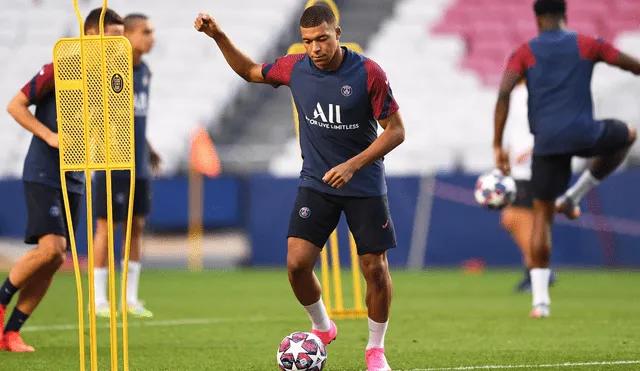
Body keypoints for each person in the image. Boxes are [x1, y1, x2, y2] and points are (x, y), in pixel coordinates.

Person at [195, 5, 405, 370]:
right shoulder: (295, 67)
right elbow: (249, 71)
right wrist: (218, 36)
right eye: (308, 41)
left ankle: (375, 350)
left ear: (337, 33)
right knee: (296, 264)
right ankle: (323, 328)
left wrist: (353, 164)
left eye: (322, 39)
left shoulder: (368, 72)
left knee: (374, 267)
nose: (315, 48)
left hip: (364, 183)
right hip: (317, 182)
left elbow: (396, 130)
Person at [493, 0, 638, 318]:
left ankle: (540, 303)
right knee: (627, 134)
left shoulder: (525, 51)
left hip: (547, 144)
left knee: (542, 217)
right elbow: (630, 64)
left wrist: (496, 144)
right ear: (565, 15)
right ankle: (576, 194)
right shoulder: (587, 44)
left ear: (537, 18)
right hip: (585, 134)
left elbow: (503, 92)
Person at [1, 8, 125, 352]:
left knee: (56, 258)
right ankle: (0, 301)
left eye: (120, 40)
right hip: (43, 170)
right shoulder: (60, 69)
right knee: (51, 249)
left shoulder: (109, 80)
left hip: (74, 175)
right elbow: (15, 105)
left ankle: (11, 333)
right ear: (89, 36)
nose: (117, 45)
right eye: (111, 39)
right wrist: (49, 136)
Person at [92, 13, 159, 319]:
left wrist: (148, 148)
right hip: (112, 162)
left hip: (139, 164)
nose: (151, 37)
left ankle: (130, 299)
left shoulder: (144, 71)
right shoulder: (111, 71)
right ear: (129, 35)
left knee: (137, 228)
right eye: (146, 32)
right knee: (107, 227)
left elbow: (134, 118)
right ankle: (98, 299)